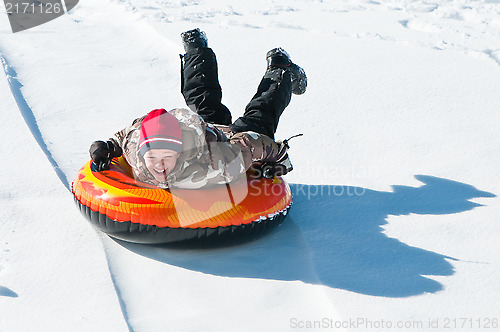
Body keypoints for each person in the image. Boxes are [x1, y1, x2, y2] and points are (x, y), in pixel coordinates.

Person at [89, 28, 307, 189]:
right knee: (199, 98)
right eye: (153, 157)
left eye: (167, 156)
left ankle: (280, 68)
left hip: (227, 141)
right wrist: (108, 146)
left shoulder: (215, 163)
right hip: (200, 128)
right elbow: (128, 134)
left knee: (260, 116)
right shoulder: (135, 150)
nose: (159, 165)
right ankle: (196, 49)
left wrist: (280, 160)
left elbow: (251, 142)